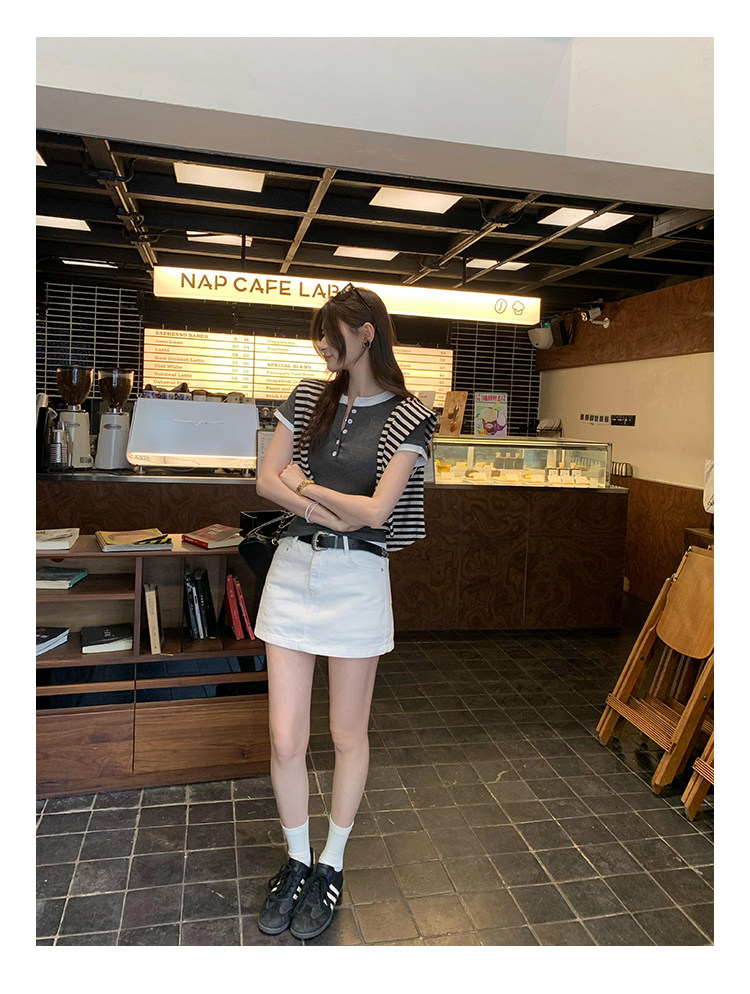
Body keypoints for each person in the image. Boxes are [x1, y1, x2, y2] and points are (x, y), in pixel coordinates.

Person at [253, 283, 436, 941]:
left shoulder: (411, 414)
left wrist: (302, 487)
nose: (322, 349)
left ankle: (331, 862)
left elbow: (378, 512)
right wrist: (326, 509)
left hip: (358, 580)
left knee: (347, 733)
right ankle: (297, 858)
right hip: (292, 570)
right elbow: (264, 479)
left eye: (331, 337)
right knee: (285, 737)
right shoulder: (308, 397)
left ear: (366, 333)